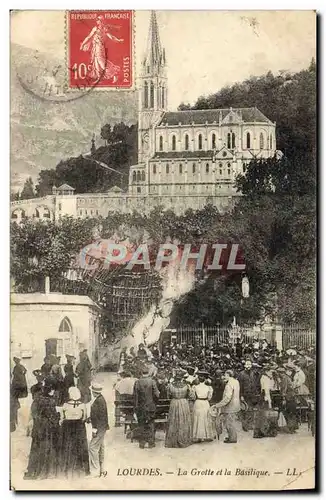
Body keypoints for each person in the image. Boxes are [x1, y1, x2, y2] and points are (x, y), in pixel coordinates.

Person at [24, 378, 60, 480]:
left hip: (38, 427)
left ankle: (34, 469)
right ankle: (45, 471)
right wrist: (58, 417)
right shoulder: (50, 401)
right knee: (47, 448)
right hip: (47, 428)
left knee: (36, 448)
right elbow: (52, 417)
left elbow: (34, 413)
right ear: (50, 389)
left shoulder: (37, 398)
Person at [80, 15, 123, 83]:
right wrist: (83, 44)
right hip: (96, 47)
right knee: (96, 62)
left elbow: (111, 36)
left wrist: (118, 40)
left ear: (101, 21)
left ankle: (115, 73)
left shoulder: (104, 29)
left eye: (98, 20)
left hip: (100, 47)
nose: (97, 21)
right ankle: (99, 78)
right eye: (97, 20)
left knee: (101, 62)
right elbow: (89, 37)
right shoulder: (96, 29)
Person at [59, 387, 90, 478]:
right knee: (80, 445)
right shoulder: (82, 405)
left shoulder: (65, 405)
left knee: (67, 445)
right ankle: (82, 467)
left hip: (68, 427)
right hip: (79, 426)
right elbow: (84, 418)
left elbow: (62, 418)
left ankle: (66, 467)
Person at [133, 366, 160, 449]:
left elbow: (135, 396)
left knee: (141, 424)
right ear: (148, 373)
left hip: (141, 407)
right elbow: (157, 395)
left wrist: (136, 407)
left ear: (141, 373)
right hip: (150, 406)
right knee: (151, 424)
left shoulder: (137, 382)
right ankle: (151, 443)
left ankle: (142, 443)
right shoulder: (152, 382)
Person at [165, 370, 192, 448]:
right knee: (183, 420)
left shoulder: (170, 385)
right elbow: (190, 395)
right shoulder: (187, 385)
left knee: (173, 421)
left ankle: (173, 441)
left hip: (174, 403)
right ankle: (183, 439)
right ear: (182, 378)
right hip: (183, 403)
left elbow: (168, 396)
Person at [88, 383, 109, 478]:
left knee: (92, 447)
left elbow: (96, 417)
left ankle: (95, 471)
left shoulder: (97, 402)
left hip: (99, 428)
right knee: (100, 447)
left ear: (93, 392)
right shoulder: (101, 399)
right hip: (103, 427)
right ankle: (101, 468)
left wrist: (94, 430)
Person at [214, 370, 240, 444]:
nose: (224, 377)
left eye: (225, 375)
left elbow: (227, 398)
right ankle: (232, 437)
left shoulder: (229, 385)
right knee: (232, 422)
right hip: (236, 405)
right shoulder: (236, 382)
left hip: (230, 407)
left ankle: (232, 439)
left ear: (228, 375)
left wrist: (218, 405)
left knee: (229, 423)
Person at [192, 371, 215, 443]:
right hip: (205, 403)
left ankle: (197, 436)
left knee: (198, 418)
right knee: (205, 418)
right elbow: (209, 397)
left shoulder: (195, 387)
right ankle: (207, 436)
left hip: (198, 402)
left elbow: (193, 397)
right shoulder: (209, 388)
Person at [237, 359, 260, 431]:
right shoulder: (241, 374)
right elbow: (240, 386)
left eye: (250, 365)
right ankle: (245, 425)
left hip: (252, 394)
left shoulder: (253, 373)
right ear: (244, 366)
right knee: (246, 410)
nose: (248, 366)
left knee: (251, 410)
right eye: (247, 365)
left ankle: (249, 425)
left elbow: (255, 384)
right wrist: (241, 395)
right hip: (245, 394)